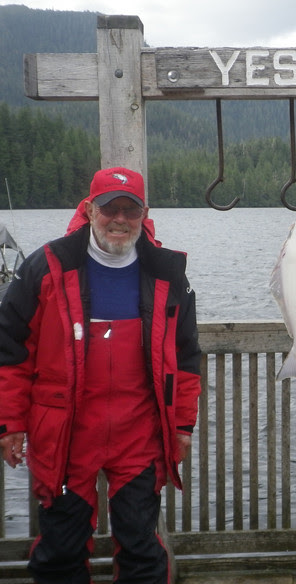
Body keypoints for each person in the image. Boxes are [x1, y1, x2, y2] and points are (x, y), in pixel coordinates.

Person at [0, 167, 202, 583]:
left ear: (145, 214)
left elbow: (185, 358)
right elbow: (11, 351)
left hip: (139, 433)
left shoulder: (167, 272)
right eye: (110, 208)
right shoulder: (48, 265)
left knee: (143, 550)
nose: (120, 219)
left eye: (131, 209)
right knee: (60, 550)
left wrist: (183, 425)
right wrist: (10, 423)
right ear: (90, 210)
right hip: (66, 434)